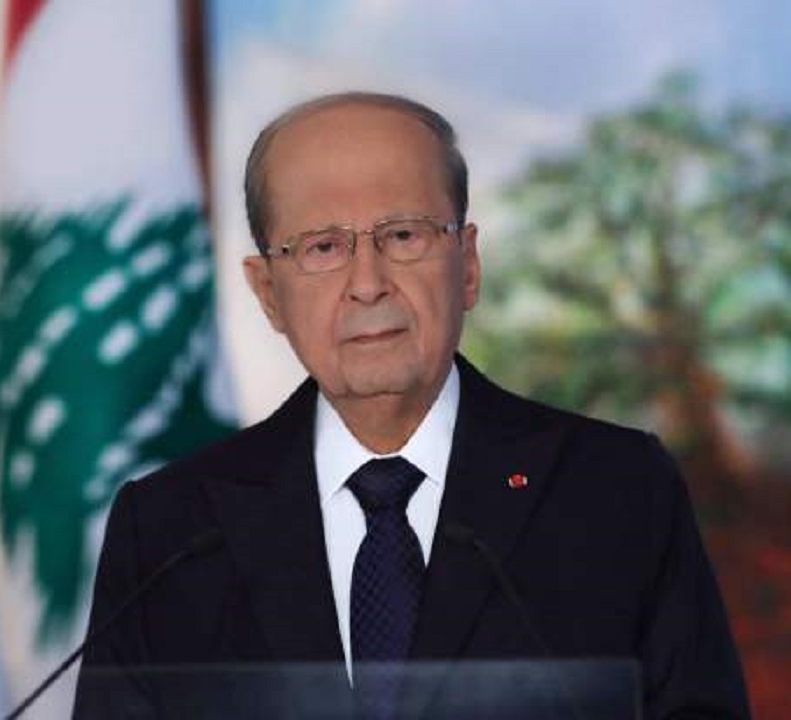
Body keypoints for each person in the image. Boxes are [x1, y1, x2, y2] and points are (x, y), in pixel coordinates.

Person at [73, 92, 750, 719]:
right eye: (323, 247)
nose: (367, 283)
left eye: (403, 236)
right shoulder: (169, 532)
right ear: (269, 293)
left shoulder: (617, 492)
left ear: (468, 265)